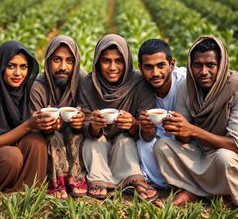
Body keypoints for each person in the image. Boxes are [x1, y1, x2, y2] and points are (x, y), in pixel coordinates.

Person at [154, 36, 238, 207]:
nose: (204, 71)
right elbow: (184, 139)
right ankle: (212, 193)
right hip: (201, 153)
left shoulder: (235, 89)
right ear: (190, 66)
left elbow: (235, 145)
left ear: (221, 65)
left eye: (211, 65)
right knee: (162, 146)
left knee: (225, 158)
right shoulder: (187, 86)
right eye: (197, 65)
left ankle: (193, 192)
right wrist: (178, 129)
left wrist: (192, 130)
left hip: (226, 156)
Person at [77, 34, 158, 200]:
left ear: (127, 61)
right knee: (93, 142)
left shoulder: (139, 83)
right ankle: (100, 179)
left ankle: (132, 177)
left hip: (127, 141)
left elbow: (147, 129)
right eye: (106, 61)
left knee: (124, 141)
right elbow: (83, 125)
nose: (112, 67)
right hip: (98, 140)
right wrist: (93, 125)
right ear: (97, 62)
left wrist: (133, 124)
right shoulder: (87, 84)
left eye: (119, 61)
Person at [0, 41, 47, 192]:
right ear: (0, 67)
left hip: (12, 155)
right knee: (11, 156)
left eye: (23, 67)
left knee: (36, 141)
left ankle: (26, 193)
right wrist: (28, 125)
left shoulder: (26, 92)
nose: (18, 73)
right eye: (11, 66)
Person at [30, 35, 87, 199]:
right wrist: (46, 124)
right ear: (48, 61)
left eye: (69, 61)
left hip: (73, 135)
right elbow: (32, 123)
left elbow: (90, 118)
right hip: (47, 137)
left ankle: (76, 178)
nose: (63, 66)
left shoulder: (82, 81)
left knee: (75, 135)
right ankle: (56, 182)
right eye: (57, 60)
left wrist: (80, 121)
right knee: (53, 137)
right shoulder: (38, 87)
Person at [136, 39, 186, 189]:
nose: (155, 73)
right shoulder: (140, 87)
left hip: (185, 141)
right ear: (140, 68)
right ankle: (165, 184)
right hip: (158, 140)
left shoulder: (185, 82)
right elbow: (147, 135)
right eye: (148, 67)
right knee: (142, 145)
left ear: (172, 65)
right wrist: (144, 127)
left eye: (161, 65)